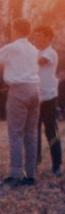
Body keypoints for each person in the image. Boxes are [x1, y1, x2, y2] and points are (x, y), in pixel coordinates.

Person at [0, 18, 40, 186]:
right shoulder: (33, 49)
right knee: (31, 133)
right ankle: (31, 174)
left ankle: (16, 173)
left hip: (18, 91)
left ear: (15, 29)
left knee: (16, 133)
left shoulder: (11, 48)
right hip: (35, 89)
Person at [32, 25, 61, 175]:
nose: (36, 38)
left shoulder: (50, 53)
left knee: (50, 131)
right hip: (36, 98)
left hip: (48, 98)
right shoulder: (35, 52)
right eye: (35, 35)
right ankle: (34, 162)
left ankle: (56, 165)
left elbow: (39, 62)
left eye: (40, 35)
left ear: (48, 38)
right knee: (34, 131)